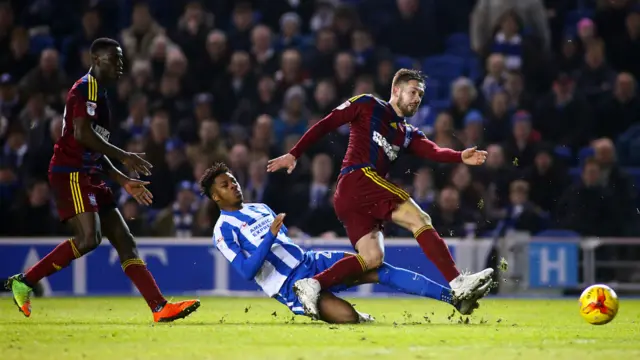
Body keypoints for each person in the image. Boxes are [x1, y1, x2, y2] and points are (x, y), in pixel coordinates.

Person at [268, 68, 494, 318]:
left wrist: (459, 156)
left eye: (420, 94)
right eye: (413, 92)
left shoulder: (407, 133)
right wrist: (294, 153)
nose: (417, 98)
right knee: (419, 219)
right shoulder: (367, 104)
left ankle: (314, 284)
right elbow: (327, 123)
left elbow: (433, 151)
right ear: (396, 90)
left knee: (372, 258)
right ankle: (456, 281)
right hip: (358, 178)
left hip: (354, 197)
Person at [4, 38, 200, 322]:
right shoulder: (86, 89)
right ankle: (26, 280)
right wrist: (124, 156)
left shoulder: (100, 92)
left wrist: (122, 180)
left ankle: (159, 307)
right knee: (89, 238)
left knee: (124, 240)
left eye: (121, 60)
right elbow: (83, 135)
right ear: (96, 60)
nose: (120, 65)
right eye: (114, 59)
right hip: (70, 172)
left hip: (89, 172)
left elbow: (94, 143)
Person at [200, 162, 491, 324]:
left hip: (311, 262)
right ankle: (361, 319)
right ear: (216, 197)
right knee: (347, 317)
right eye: (225, 186)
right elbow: (247, 271)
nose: (233, 186)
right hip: (289, 287)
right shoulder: (223, 230)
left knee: (379, 268)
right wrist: (269, 237)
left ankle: (454, 298)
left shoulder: (260, 208)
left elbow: (285, 242)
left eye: (233, 180)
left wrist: (279, 236)